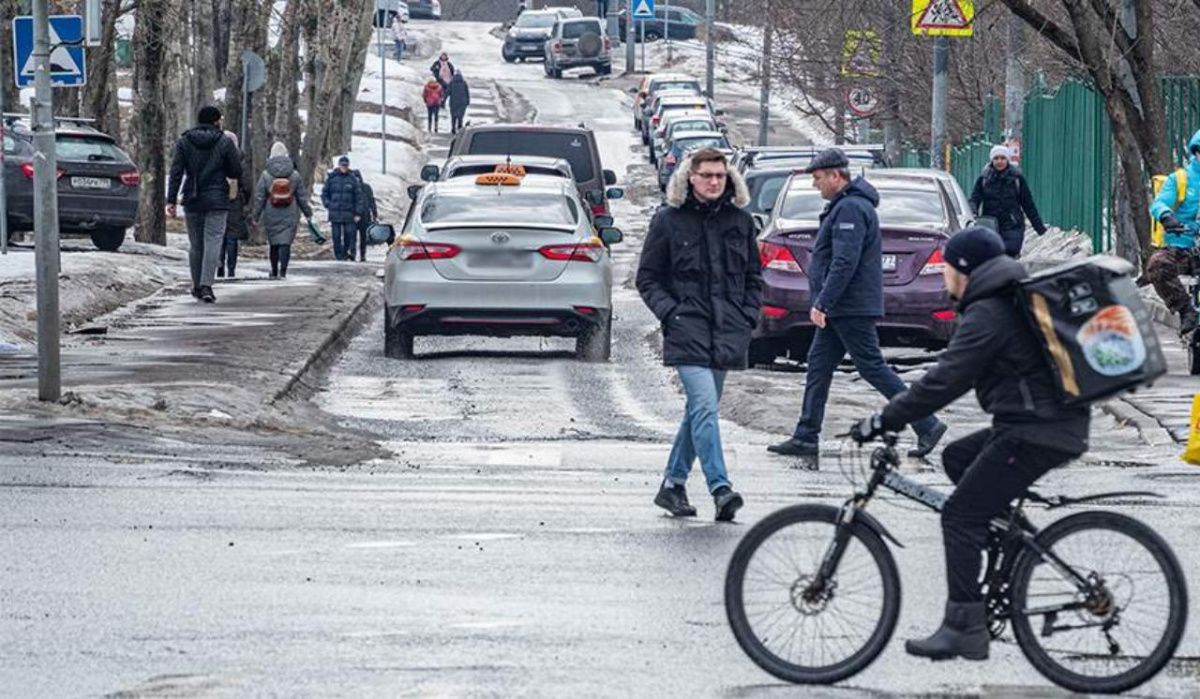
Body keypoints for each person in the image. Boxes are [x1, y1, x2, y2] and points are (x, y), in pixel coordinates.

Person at [850, 226, 1090, 662]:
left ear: (964, 271)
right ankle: (1009, 538)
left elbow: (946, 379)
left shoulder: (989, 312)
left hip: (1037, 430)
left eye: (945, 268)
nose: (943, 277)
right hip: (1036, 423)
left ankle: (965, 627)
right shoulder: (997, 301)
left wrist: (886, 417)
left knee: (960, 516)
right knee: (958, 457)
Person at [767, 149, 946, 461]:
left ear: (837, 176)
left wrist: (824, 301)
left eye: (819, 178)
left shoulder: (850, 209)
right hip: (843, 307)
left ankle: (926, 422)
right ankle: (806, 435)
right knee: (818, 367)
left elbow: (844, 261)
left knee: (872, 366)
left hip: (849, 307)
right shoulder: (846, 206)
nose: (816, 185)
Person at [636, 148, 762, 522]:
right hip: (686, 328)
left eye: (720, 176)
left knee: (698, 412)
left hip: (727, 329)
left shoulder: (740, 221)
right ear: (690, 178)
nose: (713, 182)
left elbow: (754, 277)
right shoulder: (669, 221)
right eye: (706, 175)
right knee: (705, 406)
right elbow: (647, 278)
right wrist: (671, 314)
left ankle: (673, 484)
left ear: (729, 179)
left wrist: (748, 315)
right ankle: (720, 488)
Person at [166, 105, 243, 303]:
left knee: (196, 244)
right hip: (217, 199)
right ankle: (207, 285)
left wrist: (171, 199)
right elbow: (235, 170)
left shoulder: (184, 141)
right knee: (213, 241)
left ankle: (196, 285)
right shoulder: (224, 141)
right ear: (216, 121)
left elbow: (176, 172)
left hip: (192, 197)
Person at [1148, 129, 1200, 336]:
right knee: (1157, 265)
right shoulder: (1180, 179)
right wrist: (1167, 217)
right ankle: (1186, 310)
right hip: (1184, 249)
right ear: (1196, 152)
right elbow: (1159, 203)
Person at [968, 145, 1047, 258]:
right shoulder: (984, 178)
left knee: (1010, 252)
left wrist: (1039, 227)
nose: (999, 161)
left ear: (1007, 160)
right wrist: (973, 213)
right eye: (996, 158)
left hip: (1012, 225)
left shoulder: (1017, 179)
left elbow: (1028, 204)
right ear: (992, 160)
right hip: (990, 225)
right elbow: (975, 198)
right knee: (991, 254)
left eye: (1002, 158)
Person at [254, 142, 314, 279]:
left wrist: (255, 216)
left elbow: (259, 197)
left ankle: (274, 270)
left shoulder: (266, 175)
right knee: (285, 242)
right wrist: (308, 213)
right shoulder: (294, 175)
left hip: (271, 211)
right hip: (290, 211)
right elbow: (302, 197)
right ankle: (283, 271)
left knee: (274, 242)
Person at [217, 131, 253, 279]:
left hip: (218, 199)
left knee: (219, 235)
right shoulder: (240, 159)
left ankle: (219, 265)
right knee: (232, 236)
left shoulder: (217, 156)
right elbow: (247, 183)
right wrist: (243, 198)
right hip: (235, 201)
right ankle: (231, 268)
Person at [321, 156, 362, 262]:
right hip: (335, 212)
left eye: (346, 165)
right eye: (342, 165)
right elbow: (324, 193)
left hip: (349, 213)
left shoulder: (353, 179)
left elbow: (358, 197)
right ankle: (338, 255)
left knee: (349, 234)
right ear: (339, 166)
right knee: (336, 236)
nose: (344, 167)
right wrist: (328, 204)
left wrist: (358, 212)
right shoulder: (332, 178)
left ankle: (345, 252)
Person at [353, 171, 379, 262]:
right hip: (353, 215)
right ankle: (353, 254)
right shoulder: (350, 188)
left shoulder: (366, 188)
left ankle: (362, 255)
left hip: (364, 216)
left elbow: (371, 201)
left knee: (363, 237)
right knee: (352, 236)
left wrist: (374, 213)